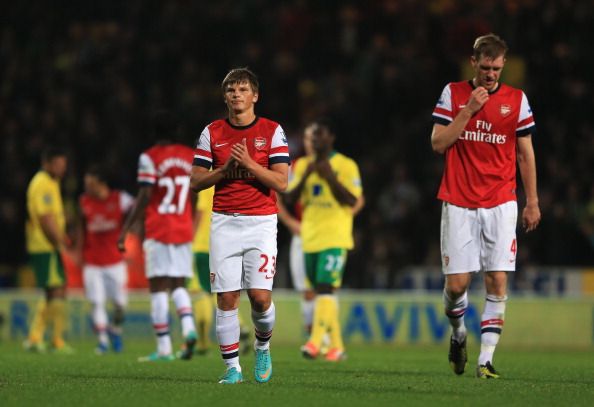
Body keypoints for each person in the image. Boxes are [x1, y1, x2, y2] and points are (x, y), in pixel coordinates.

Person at [430, 33, 541, 379]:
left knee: (496, 281)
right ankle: (459, 335)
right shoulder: (454, 93)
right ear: (473, 62)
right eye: (485, 67)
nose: (491, 74)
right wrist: (469, 111)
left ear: (503, 64)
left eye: (496, 68)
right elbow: (438, 143)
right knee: (457, 286)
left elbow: (525, 154)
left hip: (501, 203)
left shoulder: (517, 100)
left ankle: (486, 360)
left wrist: (532, 201)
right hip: (459, 201)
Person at [191, 67, 289, 384]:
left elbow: (282, 181)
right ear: (225, 97)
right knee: (227, 297)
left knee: (260, 298)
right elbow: (195, 182)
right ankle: (232, 368)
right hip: (224, 222)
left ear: (255, 96)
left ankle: (262, 346)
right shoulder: (212, 132)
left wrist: (248, 164)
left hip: (261, 222)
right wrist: (224, 171)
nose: (237, 95)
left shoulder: (272, 131)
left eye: (243, 89)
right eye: (231, 90)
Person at [118, 110, 197, 362]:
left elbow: (144, 195)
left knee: (158, 288)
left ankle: (164, 348)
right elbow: (195, 192)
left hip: (159, 227)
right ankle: (188, 328)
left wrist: (127, 227)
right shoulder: (189, 156)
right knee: (179, 284)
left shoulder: (149, 157)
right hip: (183, 227)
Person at [284, 119, 363, 362]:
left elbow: (353, 200)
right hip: (309, 237)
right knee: (319, 291)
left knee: (326, 288)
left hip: (335, 236)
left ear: (330, 138)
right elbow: (290, 198)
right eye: (310, 137)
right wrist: (307, 174)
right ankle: (337, 346)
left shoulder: (346, 165)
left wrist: (330, 178)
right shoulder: (303, 165)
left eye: (318, 136)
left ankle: (315, 342)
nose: (314, 142)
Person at [77, 165, 134, 354]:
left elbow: (139, 210)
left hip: (116, 261)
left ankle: (115, 330)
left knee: (120, 305)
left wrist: (131, 232)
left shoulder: (121, 199)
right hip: (92, 262)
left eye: (90, 184)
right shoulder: (84, 201)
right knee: (97, 302)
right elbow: (81, 227)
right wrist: (79, 251)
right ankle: (102, 341)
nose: (87, 188)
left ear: (101, 184)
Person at [188, 185, 251, 356]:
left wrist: (190, 238)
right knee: (222, 291)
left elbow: (201, 211)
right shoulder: (230, 181)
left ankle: (202, 343)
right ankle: (241, 327)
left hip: (202, 245)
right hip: (223, 244)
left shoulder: (207, 181)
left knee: (203, 293)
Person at [24, 146, 74, 353]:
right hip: (45, 245)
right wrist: (60, 243)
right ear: (47, 163)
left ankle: (45, 338)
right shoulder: (42, 183)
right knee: (56, 290)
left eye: (64, 165)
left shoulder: (52, 182)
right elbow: (45, 219)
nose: (62, 169)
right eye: (58, 165)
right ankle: (45, 338)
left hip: (47, 245)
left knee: (55, 290)